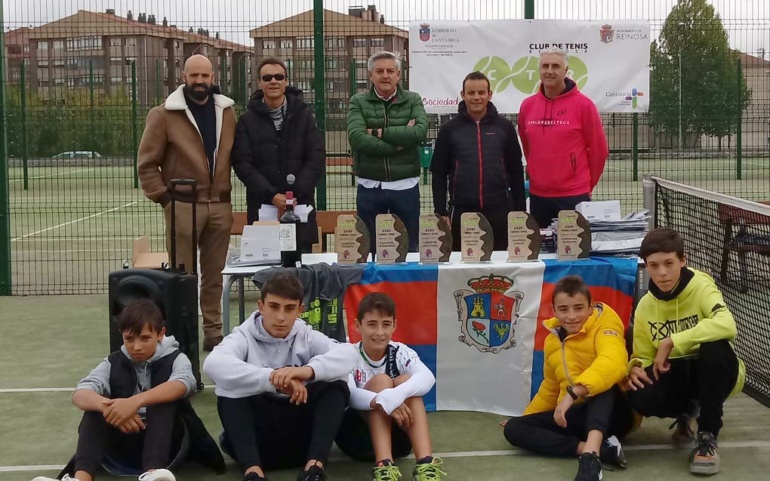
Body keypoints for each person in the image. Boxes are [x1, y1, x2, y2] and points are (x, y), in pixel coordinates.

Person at [32, 298, 219, 481]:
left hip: (169, 442)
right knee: (94, 408)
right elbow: (80, 393)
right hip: (123, 442)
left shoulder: (176, 358)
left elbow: (184, 383)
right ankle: (81, 478)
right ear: (121, 334)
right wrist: (111, 409)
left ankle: (154, 473)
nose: (136, 347)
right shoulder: (112, 362)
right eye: (129, 339)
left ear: (161, 334)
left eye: (145, 338)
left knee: (163, 402)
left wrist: (133, 402)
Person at [202, 271, 358, 481]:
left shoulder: (306, 335)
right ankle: (253, 473)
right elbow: (213, 364)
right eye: (274, 307)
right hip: (259, 442)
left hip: (301, 442)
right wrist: (273, 379)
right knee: (229, 389)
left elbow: (349, 355)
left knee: (336, 384)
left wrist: (305, 372)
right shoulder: (242, 336)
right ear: (261, 306)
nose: (281, 317)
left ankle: (314, 469)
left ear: (300, 310)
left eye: (289, 308)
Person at [626, 228, 745, 476]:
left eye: (669, 263)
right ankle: (687, 411)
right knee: (639, 393)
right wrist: (635, 367)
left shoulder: (701, 286)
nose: (662, 272)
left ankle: (707, 436)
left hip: (717, 372)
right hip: (677, 375)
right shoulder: (646, 306)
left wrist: (672, 341)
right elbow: (645, 355)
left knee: (714, 346)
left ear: (683, 260)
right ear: (646, 266)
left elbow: (727, 324)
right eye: (653, 265)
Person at [137, 54, 236, 352]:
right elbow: (146, 164)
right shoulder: (163, 114)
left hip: (220, 205)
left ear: (213, 76)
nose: (199, 81)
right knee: (183, 275)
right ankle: (182, 333)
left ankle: (213, 333)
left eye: (205, 76)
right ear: (183, 76)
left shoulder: (227, 112)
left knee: (214, 275)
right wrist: (166, 199)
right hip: (182, 206)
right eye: (194, 75)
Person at [503, 276, 633, 481]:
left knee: (601, 383)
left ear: (590, 308)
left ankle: (591, 459)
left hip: (614, 414)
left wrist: (574, 392)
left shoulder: (605, 325)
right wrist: (529, 417)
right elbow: (551, 387)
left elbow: (613, 362)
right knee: (514, 428)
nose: (571, 316)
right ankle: (596, 449)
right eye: (563, 309)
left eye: (578, 308)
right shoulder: (552, 341)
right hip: (577, 414)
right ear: (554, 311)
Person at [336, 293, 446, 481]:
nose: (379, 332)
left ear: (394, 325)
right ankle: (384, 467)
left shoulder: (399, 351)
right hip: (357, 438)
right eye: (372, 324)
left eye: (386, 324)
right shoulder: (347, 353)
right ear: (357, 325)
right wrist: (383, 399)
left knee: (407, 382)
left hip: (399, 443)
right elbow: (350, 395)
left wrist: (396, 396)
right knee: (382, 381)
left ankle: (426, 463)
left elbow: (427, 377)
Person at [232, 57, 324, 253]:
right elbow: (242, 163)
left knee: (301, 272)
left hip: (300, 206)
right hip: (263, 207)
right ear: (259, 83)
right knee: (267, 273)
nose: (273, 81)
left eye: (278, 76)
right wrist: (272, 195)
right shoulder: (246, 121)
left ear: (286, 81)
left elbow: (316, 157)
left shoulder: (304, 116)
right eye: (267, 77)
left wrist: (293, 196)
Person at [431, 71, 526, 251]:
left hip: (500, 211)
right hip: (462, 212)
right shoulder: (449, 129)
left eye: (481, 93)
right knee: (463, 266)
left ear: (489, 94)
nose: (476, 97)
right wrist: (441, 212)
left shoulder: (504, 127)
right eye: (471, 93)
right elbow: (439, 173)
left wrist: (520, 210)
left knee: (501, 264)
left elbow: (515, 170)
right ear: (463, 95)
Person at [517, 48, 609, 228]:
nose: (549, 71)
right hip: (538, 196)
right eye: (545, 66)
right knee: (542, 252)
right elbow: (528, 147)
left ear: (565, 71)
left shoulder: (584, 105)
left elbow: (599, 150)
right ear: (539, 70)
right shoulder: (527, 106)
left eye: (555, 66)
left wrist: (586, 186)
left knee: (572, 253)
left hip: (573, 195)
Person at [348, 51, 428, 254]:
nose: (385, 75)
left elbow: (418, 133)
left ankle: (407, 286)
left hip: (405, 186)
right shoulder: (358, 101)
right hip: (370, 187)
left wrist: (377, 133)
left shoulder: (413, 99)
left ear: (398, 75)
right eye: (380, 71)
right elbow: (357, 138)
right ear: (370, 75)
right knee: (370, 249)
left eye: (390, 71)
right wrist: (400, 144)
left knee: (409, 248)